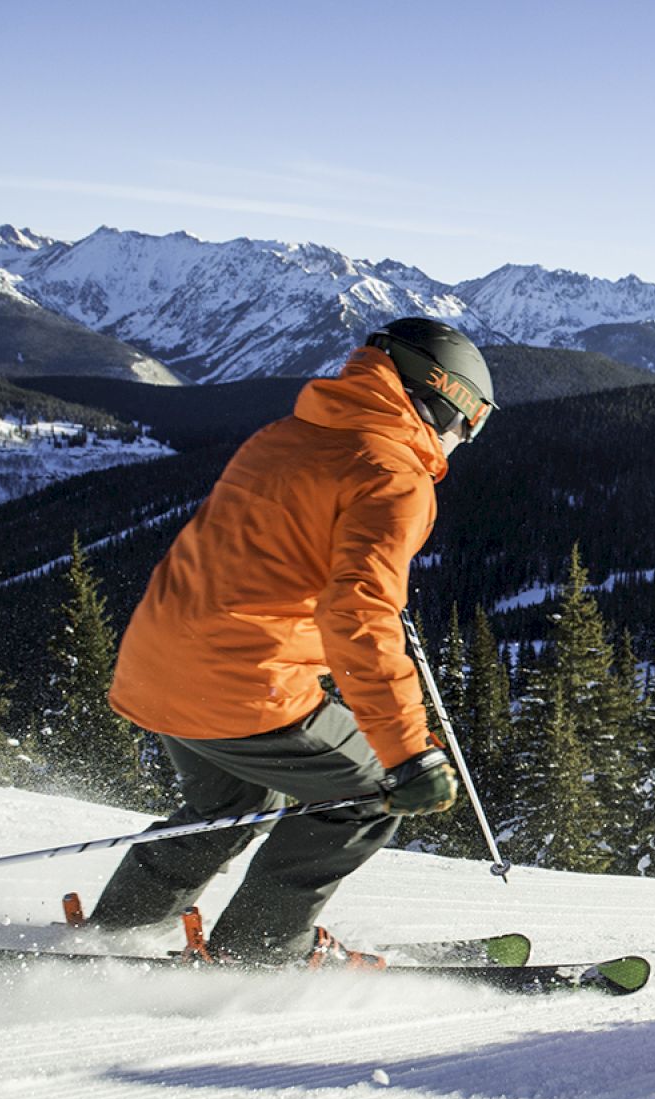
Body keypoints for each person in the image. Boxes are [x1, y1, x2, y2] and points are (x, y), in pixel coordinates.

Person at [88, 318, 496, 964]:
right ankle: (259, 950)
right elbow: (358, 611)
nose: (459, 440)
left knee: (233, 800)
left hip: (155, 660)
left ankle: (116, 932)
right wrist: (407, 752)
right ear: (441, 395)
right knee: (364, 791)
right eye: (468, 422)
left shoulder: (287, 434)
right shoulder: (392, 471)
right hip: (239, 682)